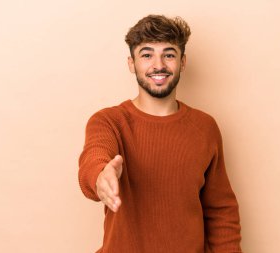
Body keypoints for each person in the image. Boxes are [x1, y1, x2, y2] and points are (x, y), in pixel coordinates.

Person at [78, 14, 243, 253]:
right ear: (131, 63)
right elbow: (94, 157)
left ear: (182, 62)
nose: (159, 65)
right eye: (146, 55)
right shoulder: (108, 121)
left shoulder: (205, 127)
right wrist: (100, 176)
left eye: (168, 54)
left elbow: (221, 211)